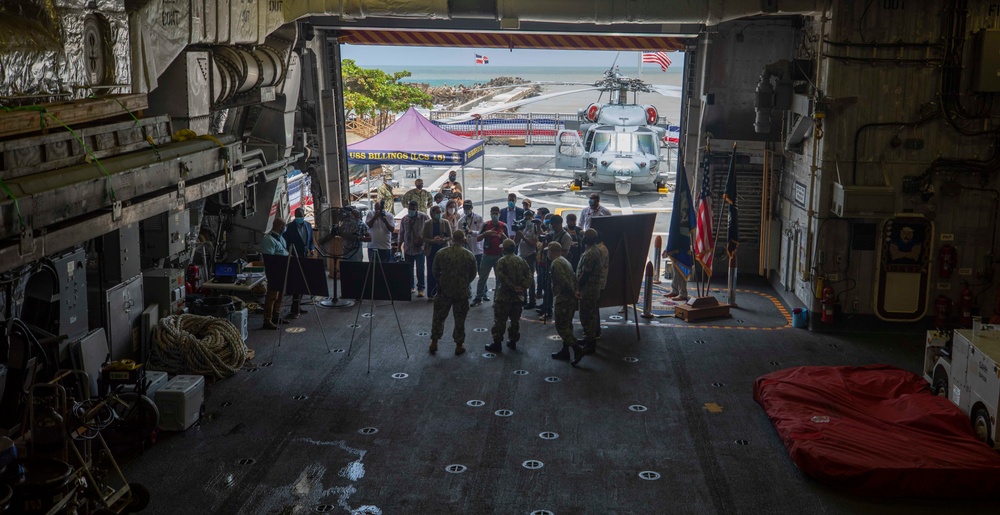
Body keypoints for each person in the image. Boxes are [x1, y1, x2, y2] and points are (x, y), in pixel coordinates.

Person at [430, 230, 478, 355]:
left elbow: (434, 270)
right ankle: (459, 345)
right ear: (463, 240)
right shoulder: (469, 255)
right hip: (461, 292)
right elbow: (473, 274)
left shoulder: (442, 253)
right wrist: (464, 282)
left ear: (452, 239)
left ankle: (434, 342)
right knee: (460, 319)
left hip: (444, 291)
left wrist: (442, 280)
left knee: (438, 317)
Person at [487, 239, 533, 353]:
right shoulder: (521, 260)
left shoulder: (502, 261)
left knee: (500, 320)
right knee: (515, 320)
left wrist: (512, 286)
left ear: (504, 249)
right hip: (518, 297)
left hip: (504, 296)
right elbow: (529, 275)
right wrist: (522, 287)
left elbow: (502, 277)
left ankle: (497, 343)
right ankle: (512, 341)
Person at [547, 242, 585, 365]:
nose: (547, 253)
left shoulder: (556, 263)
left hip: (563, 299)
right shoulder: (564, 260)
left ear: (552, 251)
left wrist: (573, 292)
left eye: (548, 251)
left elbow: (563, 281)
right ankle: (565, 351)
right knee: (567, 325)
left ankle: (577, 349)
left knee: (562, 326)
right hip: (569, 298)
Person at [282, 208, 316, 319]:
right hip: (294, 257)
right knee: (297, 283)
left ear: (304, 216)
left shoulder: (308, 225)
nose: (299, 218)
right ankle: (294, 309)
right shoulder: (289, 228)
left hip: (305, 256)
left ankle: (298, 306)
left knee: (303, 283)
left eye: (301, 216)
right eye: (297, 216)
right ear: (294, 216)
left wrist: (312, 249)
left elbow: (311, 240)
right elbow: (285, 242)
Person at [537, 214, 573, 321]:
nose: (554, 227)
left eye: (556, 225)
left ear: (560, 224)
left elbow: (565, 253)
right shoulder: (552, 233)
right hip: (549, 262)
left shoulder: (566, 237)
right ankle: (546, 306)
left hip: (558, 264)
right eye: (552, 225)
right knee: (546, 285)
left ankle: (551, 310)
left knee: (555, 288)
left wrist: (553, 252)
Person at [472, 206, 508, 306]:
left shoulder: (503, 226)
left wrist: (503, 237)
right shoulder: (486, 225)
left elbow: (509, 243)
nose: (494, 215)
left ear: (499, 214)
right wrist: (485, 234)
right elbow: (478, 238)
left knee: (499, 279)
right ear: (490, 214)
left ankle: (497, 299)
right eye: (493, 213)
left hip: (499, 255)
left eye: (496, 214)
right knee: (482, 277)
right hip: (487, 255)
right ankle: (479, 297)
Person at [577, 229, 603, 354]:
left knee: (587, 315)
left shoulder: (590, 254)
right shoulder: (595, 250)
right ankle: (588, 338)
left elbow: (585, 274)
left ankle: (590, 343)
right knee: (590, 313)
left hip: (588, 289)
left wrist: (577, 286)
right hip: (593, 288)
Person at [261, 218, 289, 330]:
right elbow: (269, 259)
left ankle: (276, 316)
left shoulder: (280, 238)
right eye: (284, 226)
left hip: (282, 270)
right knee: (272, 296)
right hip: (274, 271)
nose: (285, 228)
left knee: (280, 295)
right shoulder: (268, 239)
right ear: (280, 226)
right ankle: (267, 320)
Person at [399, 200, 430, 297]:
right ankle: (411, 287)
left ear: (417, 209)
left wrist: (423, 239)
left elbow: (429, 229)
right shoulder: (405, 219)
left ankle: (421, 288)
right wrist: (399, 247)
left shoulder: (423, 217)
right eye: (409, 209)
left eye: (413, 209)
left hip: (419, 248)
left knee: (420, 269)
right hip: (408, 248)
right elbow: (401, 234)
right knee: (409, 269)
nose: (411, 211)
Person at [422, 205, 453, 299]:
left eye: (440, 213)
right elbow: (424, 238)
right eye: (437, 213)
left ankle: (443, 293)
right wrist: (433, 241)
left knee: (443, 272)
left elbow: (450, 236)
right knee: (431, 272)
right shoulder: (427, 223)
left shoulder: (445, 222)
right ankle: (431, 293)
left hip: (443, 249)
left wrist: (443, 240)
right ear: (432, 214)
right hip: (431, 251)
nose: (439, 214)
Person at [515, 209, 540, 308]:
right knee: (521, 278)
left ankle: (532, 300)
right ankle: (524, 298)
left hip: (530, 255)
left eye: (529, 217)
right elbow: (515, 242)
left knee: (530, 279)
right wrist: (517, 232)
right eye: (526, 217)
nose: (527, 218)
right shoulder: (522, 227)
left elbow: (534, 243)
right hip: (521, 255)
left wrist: (524, 238)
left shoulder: (534, 228)